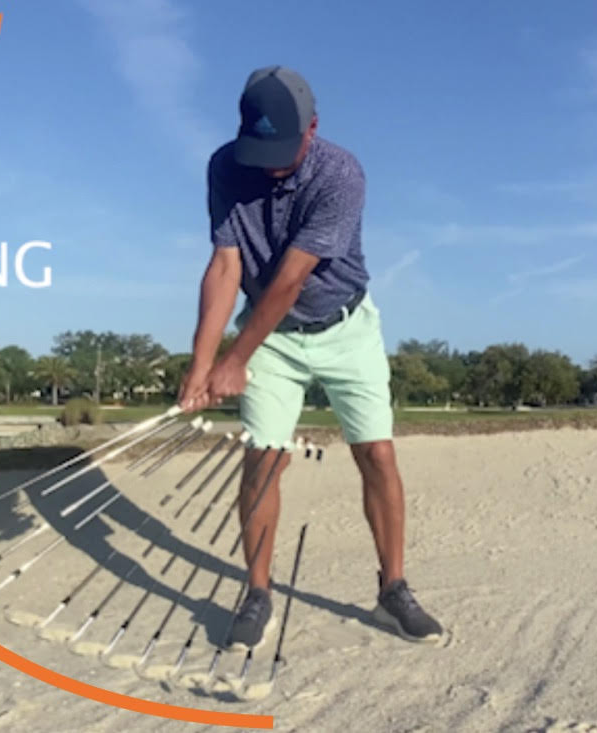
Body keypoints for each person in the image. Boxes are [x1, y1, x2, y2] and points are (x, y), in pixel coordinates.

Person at [178, 65, 443, 649]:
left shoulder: (341, 174)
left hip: (345, 328)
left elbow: (291, 280)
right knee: (264, 459)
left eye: (283, 152)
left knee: (377, 453)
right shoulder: (226, 166)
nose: (271, 167)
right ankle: (257, 593)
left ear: (313, 128)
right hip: (273, 340)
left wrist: (234, 359)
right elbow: (225, 265)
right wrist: (201, 363)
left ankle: (393, 591)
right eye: (261, 153)